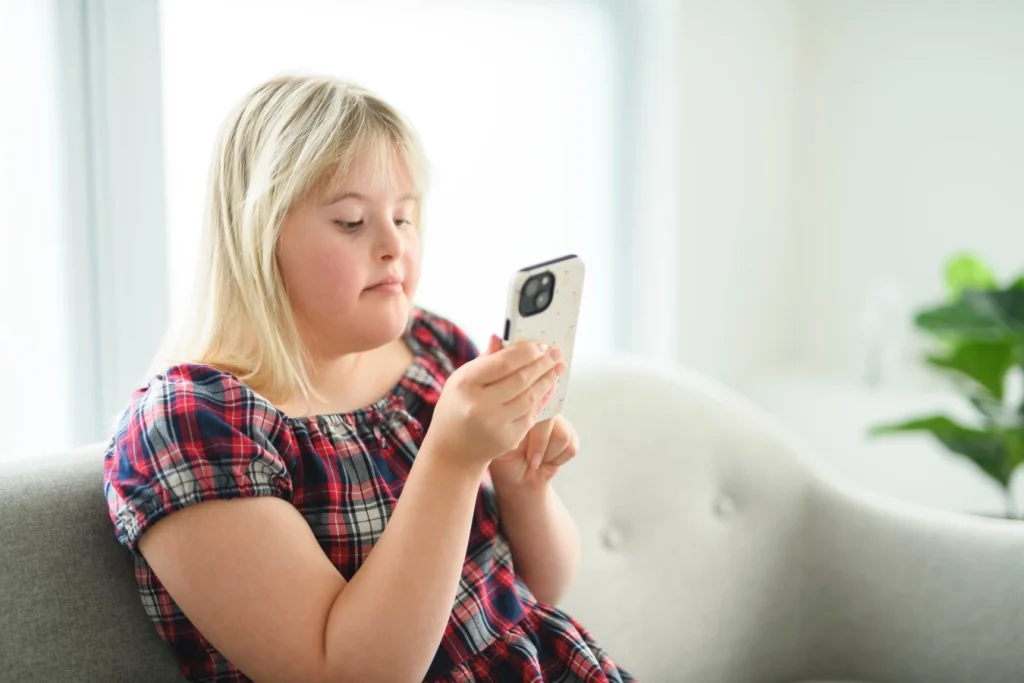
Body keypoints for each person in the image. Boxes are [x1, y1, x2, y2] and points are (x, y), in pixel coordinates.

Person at [103, 73, 635, 683]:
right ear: (259, 237)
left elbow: (535, 592)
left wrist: (523, 487)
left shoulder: (433, 349)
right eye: (352, 222)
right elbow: (349, 673)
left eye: (405, 218)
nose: (392, 247)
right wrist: (454, 463)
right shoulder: (193, 425)